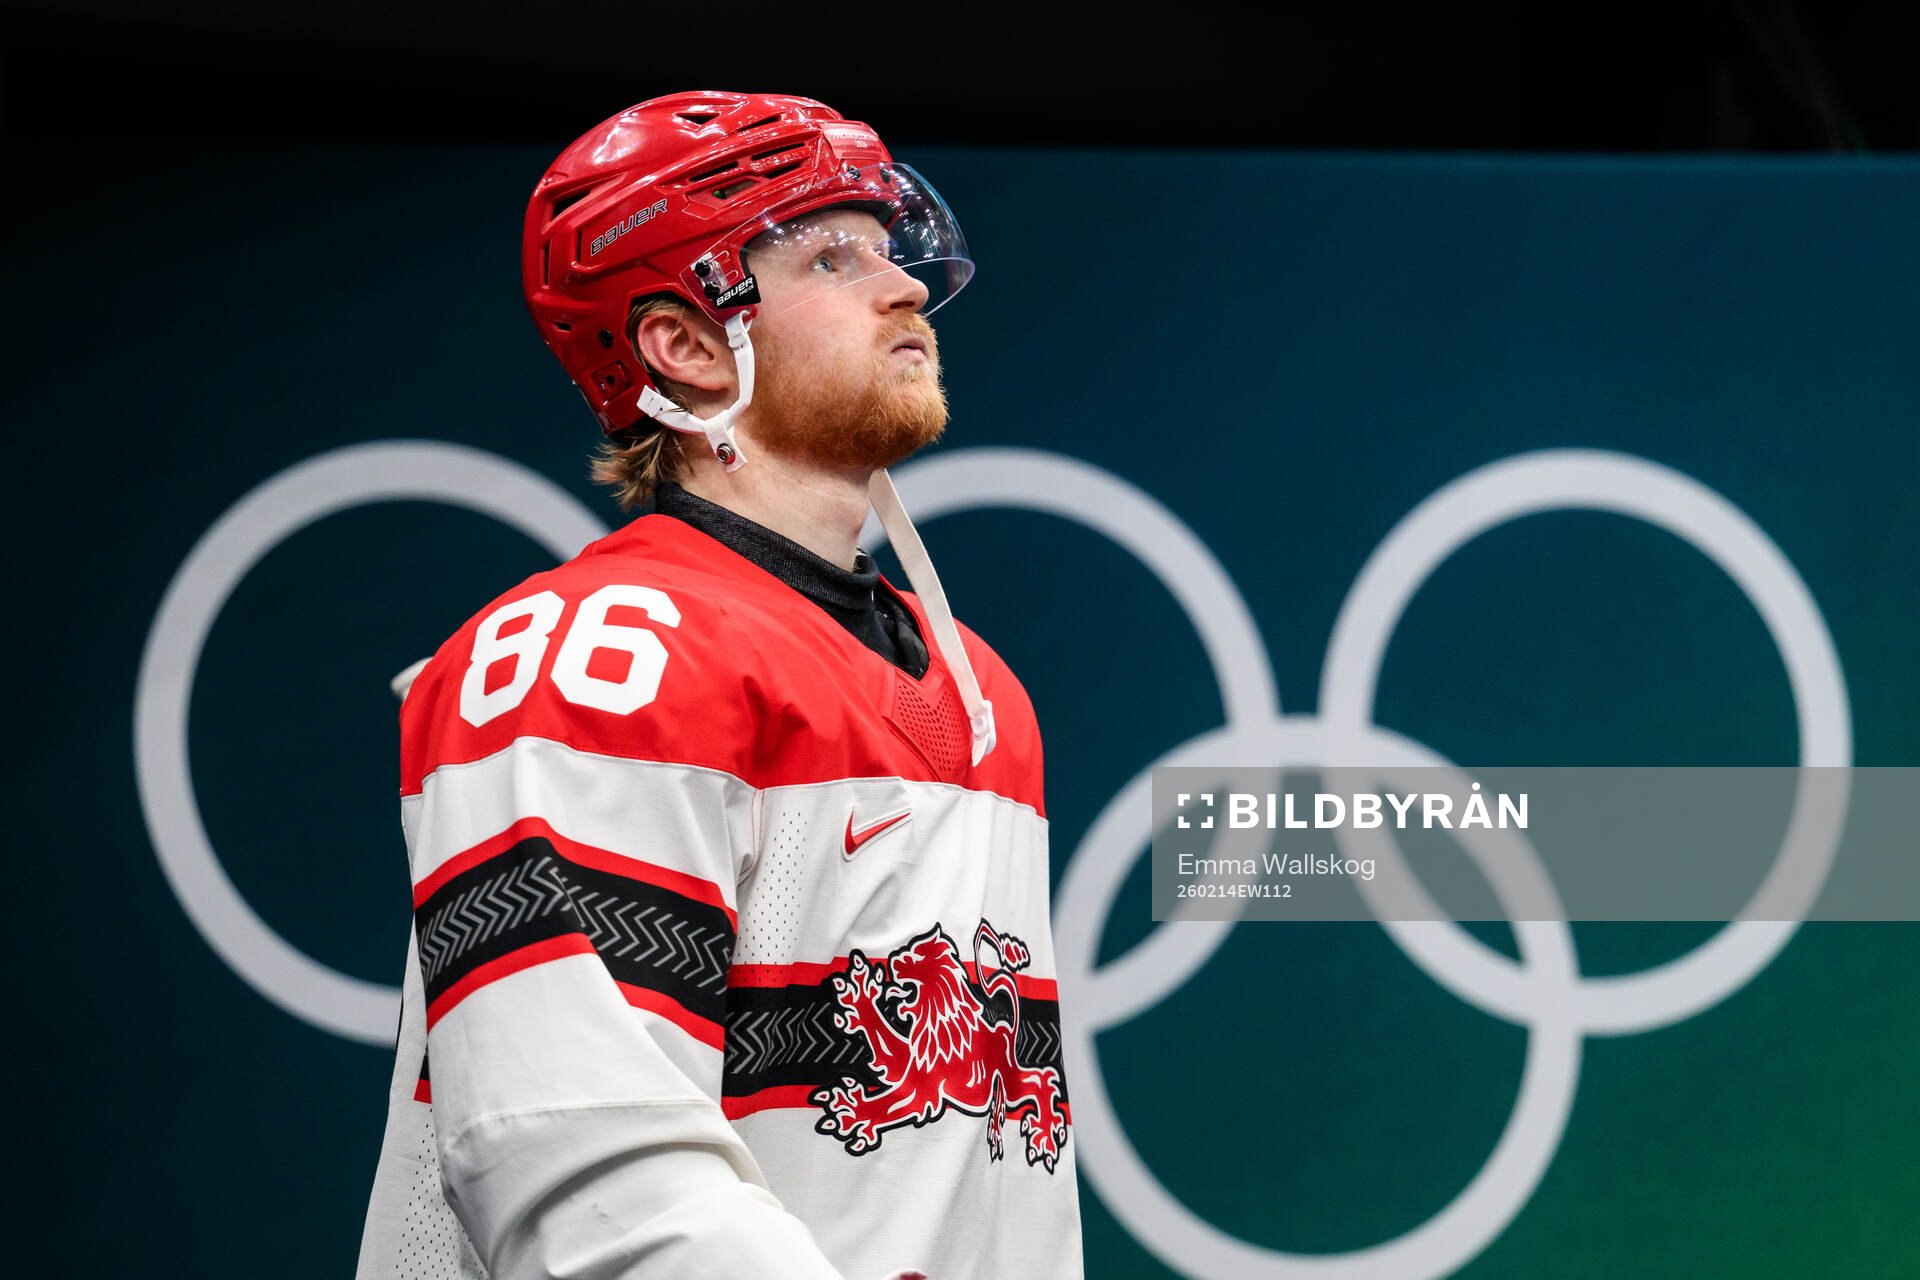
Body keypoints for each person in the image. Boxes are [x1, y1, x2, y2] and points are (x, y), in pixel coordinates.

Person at [354, 91, 1082, 1279]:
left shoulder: (973, 675)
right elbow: (588, 1173)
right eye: (831, 258)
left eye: (887, 247)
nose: (900, 285)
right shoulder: (587, 656)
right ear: (686, 347)